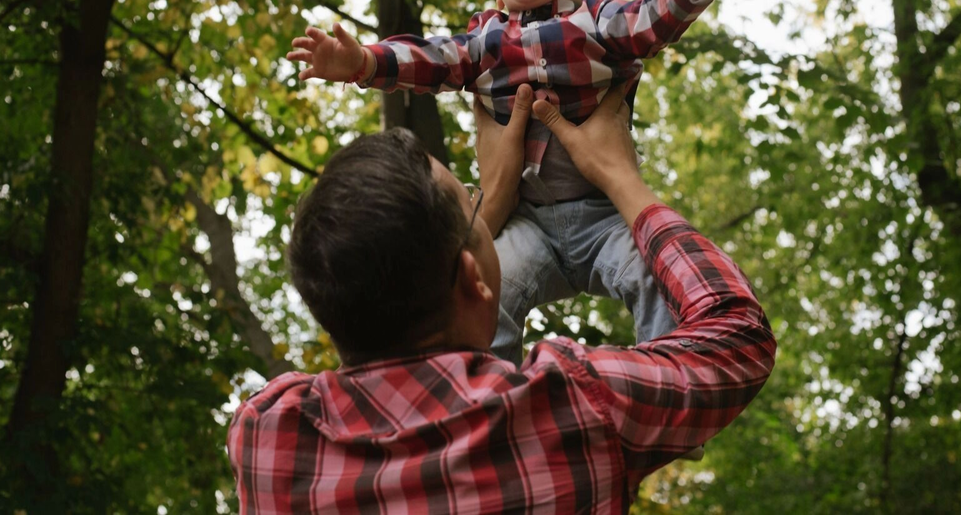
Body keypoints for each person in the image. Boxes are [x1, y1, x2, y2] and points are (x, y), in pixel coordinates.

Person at [226, 83, 776, 513]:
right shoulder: (569, 406)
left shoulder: (270, 438)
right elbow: (738, 340)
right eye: (472, 198)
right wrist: (620, 178)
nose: (480, 200)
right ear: (470, 276)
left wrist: (482, 211)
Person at [285, 0, 756, 366]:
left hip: (605, 215)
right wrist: (361, 63)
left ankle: (669, 379)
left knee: (656, 274)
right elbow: (431, 59)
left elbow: (653, 20)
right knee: (485, 294)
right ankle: (488, 400)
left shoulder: (599, 20)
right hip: (527, 222)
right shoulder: (485, 40)